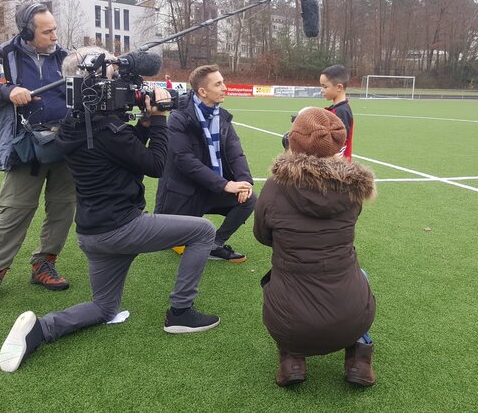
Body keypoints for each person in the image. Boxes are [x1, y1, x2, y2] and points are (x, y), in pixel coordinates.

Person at [0, 47, 220, 373]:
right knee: (203, 231)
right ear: (94, 83)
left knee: (104, 308)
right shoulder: (105, 129)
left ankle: (40, 330)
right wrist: (159, 120)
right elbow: (155, 165)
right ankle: (181, 313)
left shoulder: (77, 125)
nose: (122, 86)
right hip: (122, 228)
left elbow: (121, 152)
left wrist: (144, 125)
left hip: (93, 233)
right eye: (114, 76)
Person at [254, 107, 377, 387]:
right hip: (351, 316)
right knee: (360, 276)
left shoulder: (274, 187)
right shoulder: (353, 188)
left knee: (278, 282)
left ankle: (291, 360)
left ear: (293, 141)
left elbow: (262, 236)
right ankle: (359, 359)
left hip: (291, 319)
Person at [0, 2, 74, 305]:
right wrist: (7, 91)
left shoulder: (65, 58)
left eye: (54, 29)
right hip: (25, 148)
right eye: (47, 31)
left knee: (63, 209)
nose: (54, 36)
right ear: (27, 32)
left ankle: (44, 264)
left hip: (66, 146)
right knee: (14, 211)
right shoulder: (3, 57)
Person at [155, 65, 255, 263]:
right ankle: (183, 236)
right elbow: (184, 160)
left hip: (211, 188)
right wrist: (224, 184)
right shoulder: (179, 117)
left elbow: (236, 153)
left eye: (223, 82)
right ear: (202, 91)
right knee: (173, 238)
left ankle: (214, 245)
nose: (224, 87)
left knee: (250, 199)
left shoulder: (222, 117)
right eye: (218, 84)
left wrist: (244, 182)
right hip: (184, 193)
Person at [319, 64, 354, 161]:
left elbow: (341, 140)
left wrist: (332, 157)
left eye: (325, 87)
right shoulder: (336, 108)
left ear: (339, 87)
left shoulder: (341, 111)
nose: (322, 90)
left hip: (337, 166)